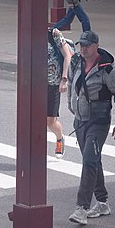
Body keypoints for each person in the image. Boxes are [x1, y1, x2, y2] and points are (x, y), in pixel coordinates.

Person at [67, 30, 115, 225]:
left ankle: (81, 208)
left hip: (98, 122)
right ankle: (102, 202)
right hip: (81, 121)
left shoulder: (108, 69)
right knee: (93, 160)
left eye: (87, 45)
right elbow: (70, 83)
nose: (83, 49)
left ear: (96, 45)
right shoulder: (76, 62)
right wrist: (71, 106)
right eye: (81, 45)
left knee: (89, 162)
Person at [48, 28, 74, 159]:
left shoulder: (54, 34)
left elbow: (67, 55)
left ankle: (59, 138)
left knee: (50, 121)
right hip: (35, 84)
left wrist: (64, 79)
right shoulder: (29, 34)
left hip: (53, 83)